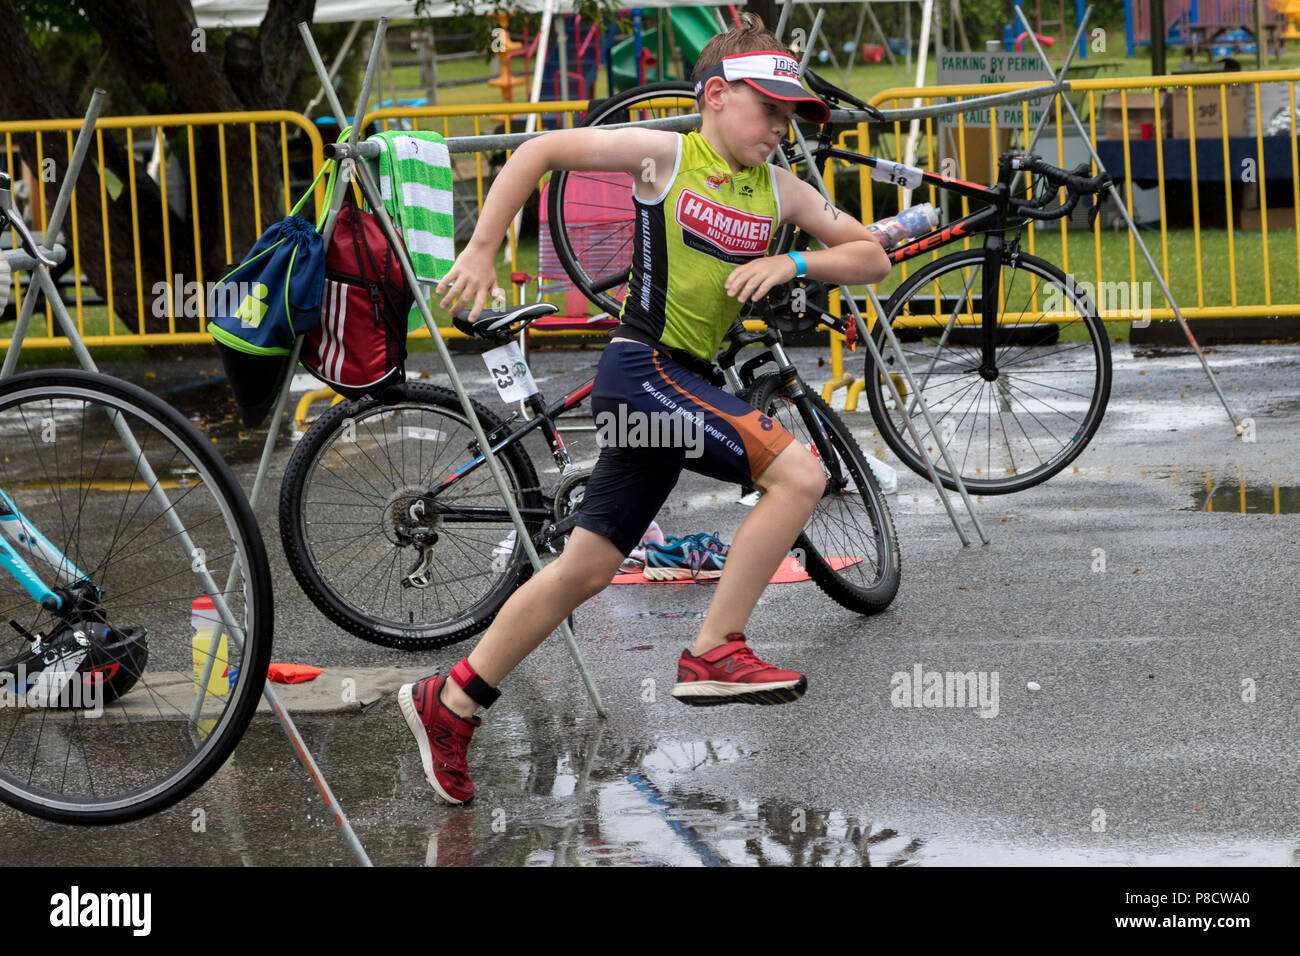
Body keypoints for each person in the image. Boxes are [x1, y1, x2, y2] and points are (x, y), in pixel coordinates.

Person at [399, 13, 891, 805]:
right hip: (642, 369)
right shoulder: (666, 155)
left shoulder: (781, 190)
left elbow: (870, 252)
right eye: (768, 108)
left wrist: (793, 257)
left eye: (793, 114)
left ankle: (452, 700)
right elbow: (539, 151)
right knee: (799, 476)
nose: (780, 127)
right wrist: (486, 244)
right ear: (717, 96)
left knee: (588, 567)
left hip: (683, 382)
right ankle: (713, 651)